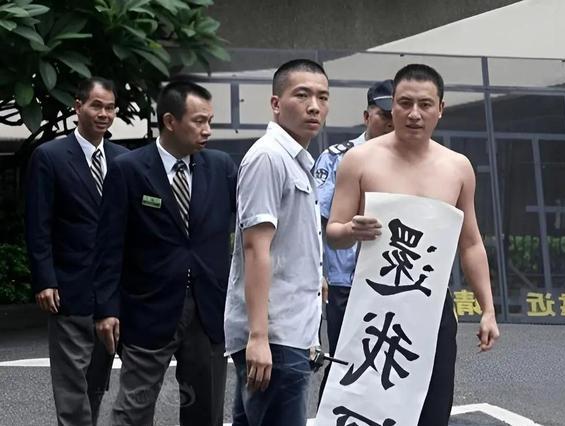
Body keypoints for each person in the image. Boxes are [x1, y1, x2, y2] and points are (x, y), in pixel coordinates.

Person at [326, 64, 500, 425]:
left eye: (425, 104)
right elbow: (334, 232)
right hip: (370, 304)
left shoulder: (457, 167)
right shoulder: (359, 160)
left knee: (432, 408)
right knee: (362, 404)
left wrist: (488, 309)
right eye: (405, 103)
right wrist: (352, 229)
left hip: (430, 306)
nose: (414, 113)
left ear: (441, 109)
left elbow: (470, 243)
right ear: (392, 106)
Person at [93, 81, 237, 426]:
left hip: (208, 307)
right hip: (148, 307)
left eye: (210, 121)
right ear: (170, 121)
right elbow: (109, 245)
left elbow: (248, 229)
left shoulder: (221, 167)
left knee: (205, 411)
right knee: (133, 409)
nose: (207, 130)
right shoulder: (129, 169)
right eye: (199, 121)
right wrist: (106, 309)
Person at [224, 59, 329, 426]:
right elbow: (256, 248)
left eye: (322, 97)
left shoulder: (296, 159)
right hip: (276, 335)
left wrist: (314, 277)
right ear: (275, 103)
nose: (314, 106)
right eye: (302, 95)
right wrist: (258, 336)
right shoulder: (268, 157)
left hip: (289, 332)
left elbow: (287, 242)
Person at [25, 77, 127, 426]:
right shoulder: (49, 157)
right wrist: (44, 279)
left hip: (113, 293)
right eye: (96, 105)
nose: (104, 114)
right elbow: (38, 224)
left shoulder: (124, 160)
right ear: (78, 107)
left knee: (96, 383)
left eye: (110, 107)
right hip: (68, 288)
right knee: (71, 388)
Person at [313, 79, 394, 398]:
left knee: (387, 364)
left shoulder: (412, 162)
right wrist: (319, 271)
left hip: (392, 281)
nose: (390, 122)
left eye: (395, 115)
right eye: (383, 114)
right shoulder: (338, 158)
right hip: (345, 280)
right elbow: (316, 221)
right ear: (366, 116)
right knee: (344, 363)